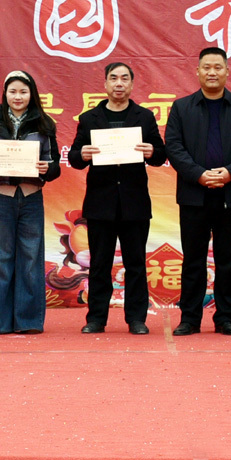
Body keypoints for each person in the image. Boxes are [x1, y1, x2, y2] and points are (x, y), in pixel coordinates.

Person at [165, 47, 231, 336]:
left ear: (227, 72)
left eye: (217, 67)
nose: (212, 72)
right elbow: (174, 146)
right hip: (194, 194)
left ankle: (225, 317)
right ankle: (190, 318)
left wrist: (230, 172)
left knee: (228, 260)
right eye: (206, 67)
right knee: (193, 259)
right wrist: (199, 174)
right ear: (197, 71)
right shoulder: (182, 108)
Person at [69, 62, 167, 335]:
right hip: (100, 202)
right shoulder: (89, 118)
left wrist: (152, 152)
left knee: (136, 263)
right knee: (99, 264)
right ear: (105, 84)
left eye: (125, 78)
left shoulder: (144, 117)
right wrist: (82, 155)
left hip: (134, 203)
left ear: (132, 84)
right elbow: (74, 157)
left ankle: (136, 319)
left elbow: (161, 154)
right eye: (113, 78)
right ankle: (96, 318)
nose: (119, 83)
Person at [0, 71, 60, 334]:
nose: (18, 97)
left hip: (31, 197)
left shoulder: (44, 124)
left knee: (31, 259)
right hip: (0, 197)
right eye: (13, 91)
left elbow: (54, 165)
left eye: (23, 91)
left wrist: (47, 168)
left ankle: (28, 322)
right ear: (5, 94)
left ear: (32, 94)